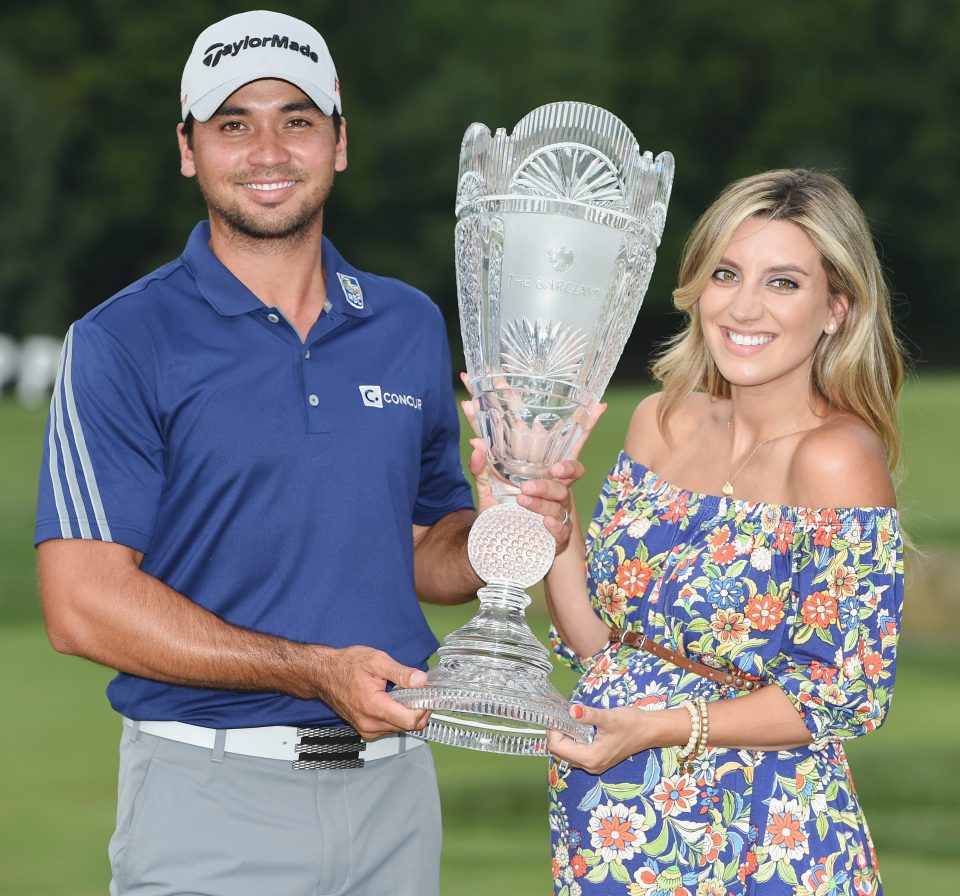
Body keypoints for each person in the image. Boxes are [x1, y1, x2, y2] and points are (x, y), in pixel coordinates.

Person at [33, 11, 573, 896]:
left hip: (397, 794)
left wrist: (509, 526)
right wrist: (314, 671)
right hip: (210, 798)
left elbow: (424, 550)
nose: (269, 149)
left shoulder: (405, 324)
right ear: (187, 149)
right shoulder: (123, 339)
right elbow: (82, 605)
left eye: (297, 119)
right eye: (233, 124)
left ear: (340, 141)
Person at [542, 169, 905, 895]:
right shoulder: (661, 421)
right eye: (726, 273)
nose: (743, 306)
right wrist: (549, 512)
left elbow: (842, 694)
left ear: (836, 308)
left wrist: (662, 728)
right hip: (618, 830)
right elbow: (606, 648)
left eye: (782, 283)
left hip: (762, 839)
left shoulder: (836, 459)